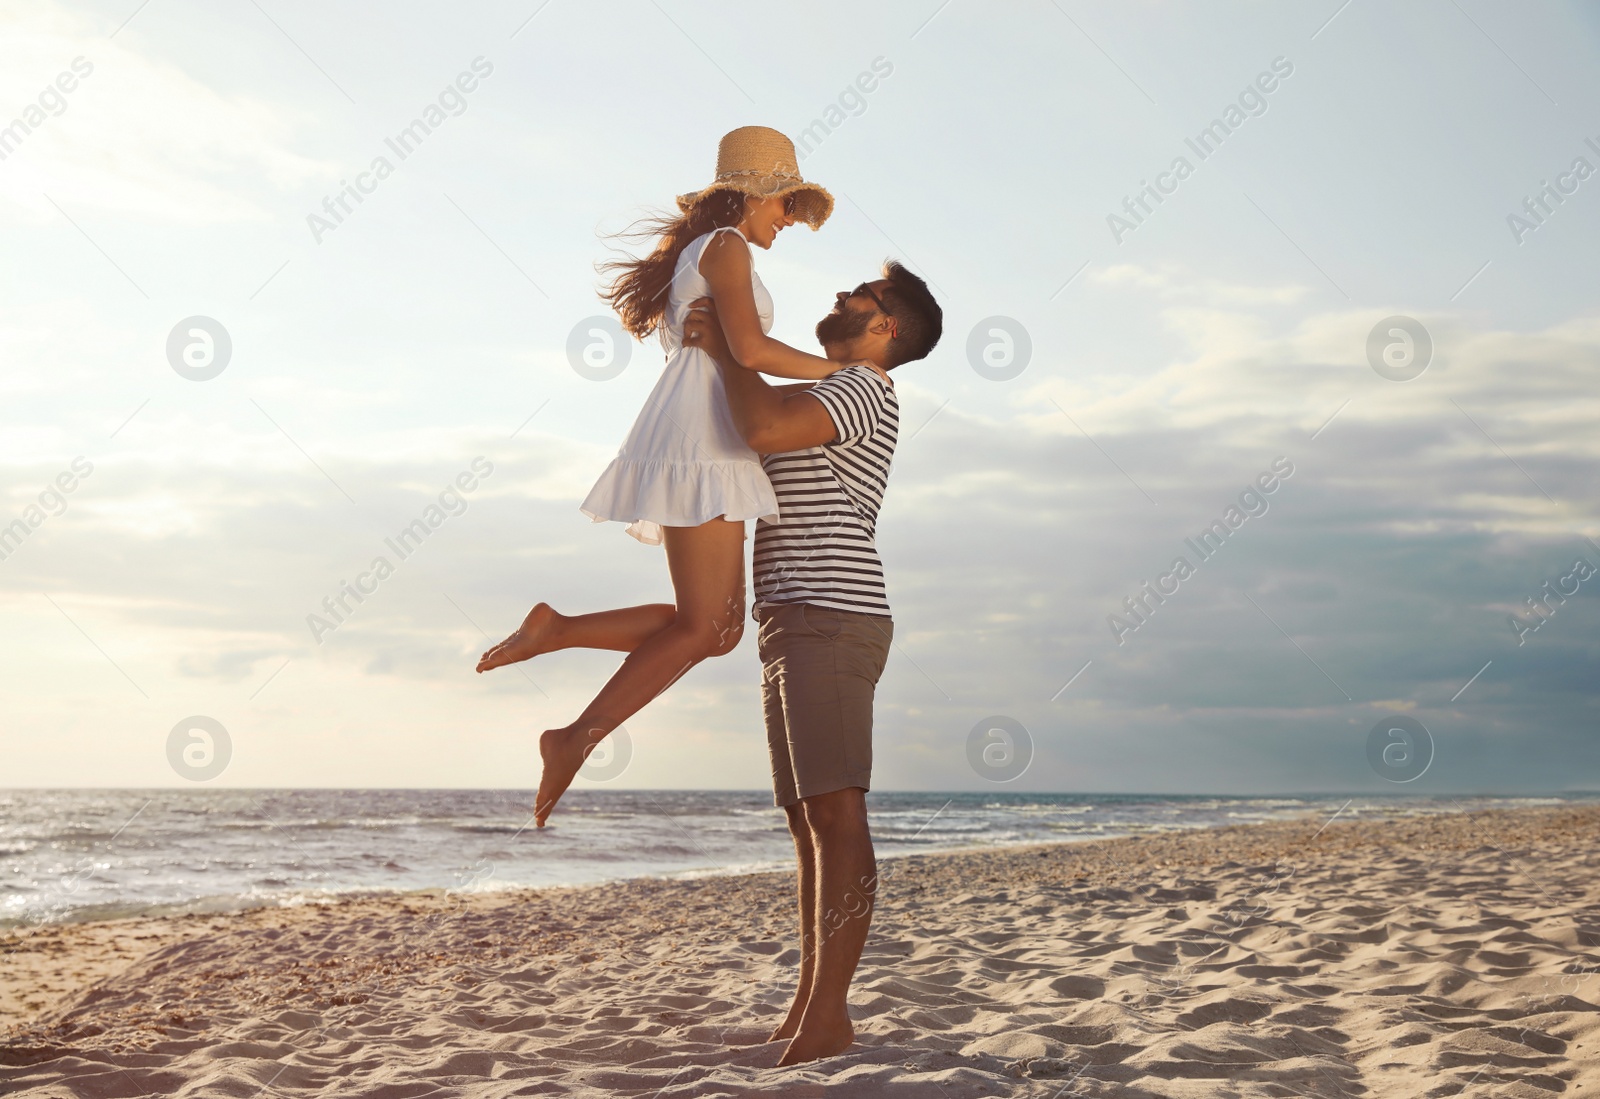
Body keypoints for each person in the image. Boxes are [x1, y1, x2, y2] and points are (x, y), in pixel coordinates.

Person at [475, 126, 850, 827]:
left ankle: (558, 635)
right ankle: (574, 735)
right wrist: (845, 372)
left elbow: (733, 349)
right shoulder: (727, 246)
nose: (788, 220)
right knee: (707, 625)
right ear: (753, 194)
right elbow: (752, 347)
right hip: (702, 435)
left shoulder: (707, 250)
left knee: (716, 629)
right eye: (784, 205)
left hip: (706, 427)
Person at [681, 261, 943, 1065]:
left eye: (857, 296)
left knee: (836, 816)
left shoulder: (862, 387)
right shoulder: (832, 384)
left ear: (886, 327)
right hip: (794, 615)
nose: (840, 297)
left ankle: (830, 1016)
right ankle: (807, 1010)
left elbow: (759, 428)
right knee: (808, 824)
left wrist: (728, 351)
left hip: (832, 614)